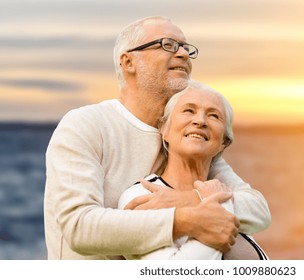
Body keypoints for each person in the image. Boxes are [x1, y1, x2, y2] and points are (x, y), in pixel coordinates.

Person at [44, 16, 270, 260]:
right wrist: (185, 220)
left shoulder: (183, 138)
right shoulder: (86, 125)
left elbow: (257, 209)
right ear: (128, 62)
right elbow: (79, 227)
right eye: (167, 45)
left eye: (185, 47)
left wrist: (190, 199)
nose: (183, 53)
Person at [118, 81, 268, 260]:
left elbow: (262, 214)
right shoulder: (142, 195)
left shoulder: (223, 192)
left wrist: (202, 199)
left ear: (223, 142)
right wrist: (216, 207)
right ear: (164, 129)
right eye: (188, 110)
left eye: (213, 115)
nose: (200, 121)